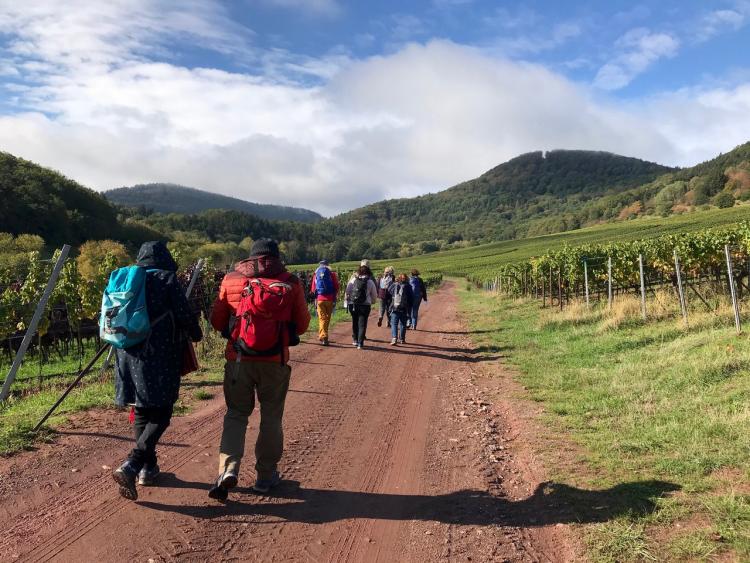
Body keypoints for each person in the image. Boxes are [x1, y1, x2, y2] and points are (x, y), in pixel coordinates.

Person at [208, 239, 311, 501]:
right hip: (275, 362)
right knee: (271, 418)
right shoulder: (291, 282)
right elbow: (301, 325)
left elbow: (217, 319)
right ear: (276, 257)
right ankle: (265, 476)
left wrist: (232, 332)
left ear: (250, 257)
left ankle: (228, 469)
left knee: (236, 414)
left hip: (239, 360)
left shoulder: (232, 280)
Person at [111, 241, 203, 501]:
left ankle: (147, 469)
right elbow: (184, 314)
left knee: (141, 409)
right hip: (159, 354)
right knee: (162, 412)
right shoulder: (166, 279)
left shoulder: (126, 277)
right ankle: (133, 463)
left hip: (127, 354)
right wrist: (195, 333)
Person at [345, 264, 378, 349]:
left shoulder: (353, 280)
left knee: (355, 322)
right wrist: (372, 302)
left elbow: (347, 291)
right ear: (368, 272)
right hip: (365, 305)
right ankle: (360, 343)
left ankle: (355, 340)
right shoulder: (370, 282)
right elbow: (374, 295)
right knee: (362, 324)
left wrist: (347, 301)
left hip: (353, 304)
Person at [309, 259, 339, 346]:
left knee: (322, 318)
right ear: (327, 265)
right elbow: (336, 286)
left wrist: (315, 298)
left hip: (320, 299)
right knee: (327, 319)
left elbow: (313, 289)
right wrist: (334, 296)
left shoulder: (316, 274)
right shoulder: (331, 273)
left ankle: (323, 336)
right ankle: (323, 336)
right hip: (330, 299)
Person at [388, 273, 414, 345]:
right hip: (404, 308)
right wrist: (409, 307)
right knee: (403, 324)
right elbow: (411, 298)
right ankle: (402, 339)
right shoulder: (408, 286)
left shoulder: (394, 285)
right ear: (406, 279)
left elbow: (389, 291)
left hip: (395, 307)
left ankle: (394, 338)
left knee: (394, 323)